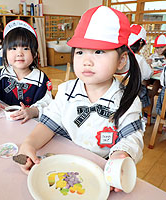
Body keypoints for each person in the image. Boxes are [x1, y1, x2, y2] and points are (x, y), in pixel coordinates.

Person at [16, 6, 144, 192]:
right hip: (65, 162)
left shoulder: (127, 99)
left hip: (102, 172)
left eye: (99, 52)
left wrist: (120, 155)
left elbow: (132, 137)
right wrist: (28, 144)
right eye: (80, 52)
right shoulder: (66, 90)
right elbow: (48, 124)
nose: (87, 61)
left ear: (122, 60)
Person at [0, 20, 52, 123]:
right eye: (13, 48)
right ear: (5, 53)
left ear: (35, 54)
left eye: (25, 48)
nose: (19, 53)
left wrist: (33, 111)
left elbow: (48, 104)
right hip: (3, 123)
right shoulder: (1, 74)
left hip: (29, 125)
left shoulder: (40, 79)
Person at [128, 24, 153, 109]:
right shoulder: (139, 58)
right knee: (146, 89)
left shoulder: (118, 56)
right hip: (134, 94)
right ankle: (145, 115)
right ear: (140, 43)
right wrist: (149, 64)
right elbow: (147, 75)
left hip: (118, 92)